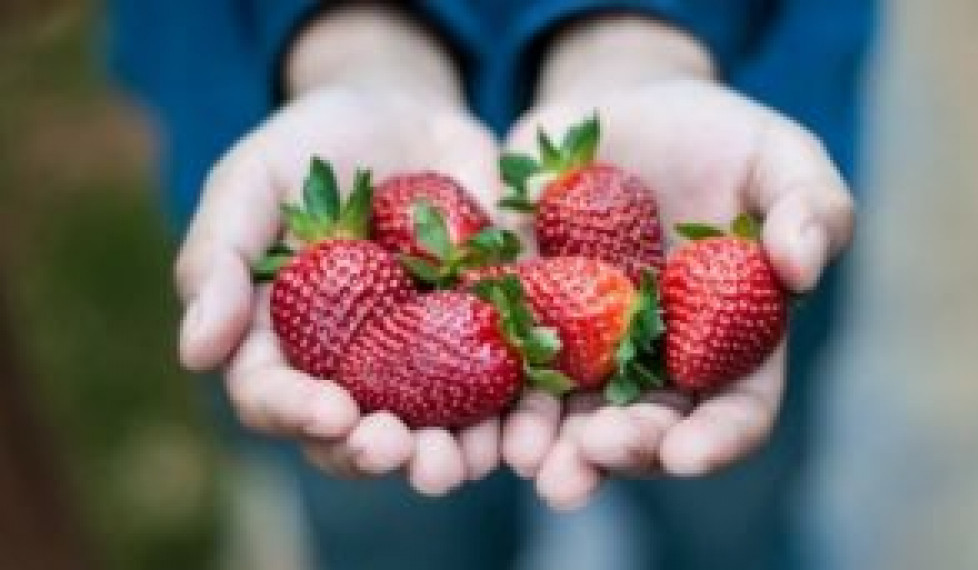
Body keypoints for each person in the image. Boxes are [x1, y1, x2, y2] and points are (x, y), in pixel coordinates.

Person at [110, 1, 872, 568]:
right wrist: (357, 43)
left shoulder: (700, 274)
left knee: (730, 525)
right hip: (263, 68)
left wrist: (639, 34)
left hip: (724, 96)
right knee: (393, 536)